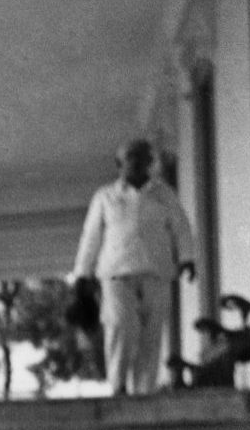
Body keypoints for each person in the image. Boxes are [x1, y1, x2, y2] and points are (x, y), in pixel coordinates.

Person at [70, 138, 198, 396]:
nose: (136, 162)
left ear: (150, 163)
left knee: (152, 333)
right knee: (121, 326)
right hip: (116, 274)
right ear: (120, 164)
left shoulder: (164, 195)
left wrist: (187, 258)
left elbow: (181, 228)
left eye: (142, 158)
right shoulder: (105, 196)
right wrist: (82, 273)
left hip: (157, 271)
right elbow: (91, 236)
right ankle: (118, 385)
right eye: (130, 157)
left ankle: (143, 392)